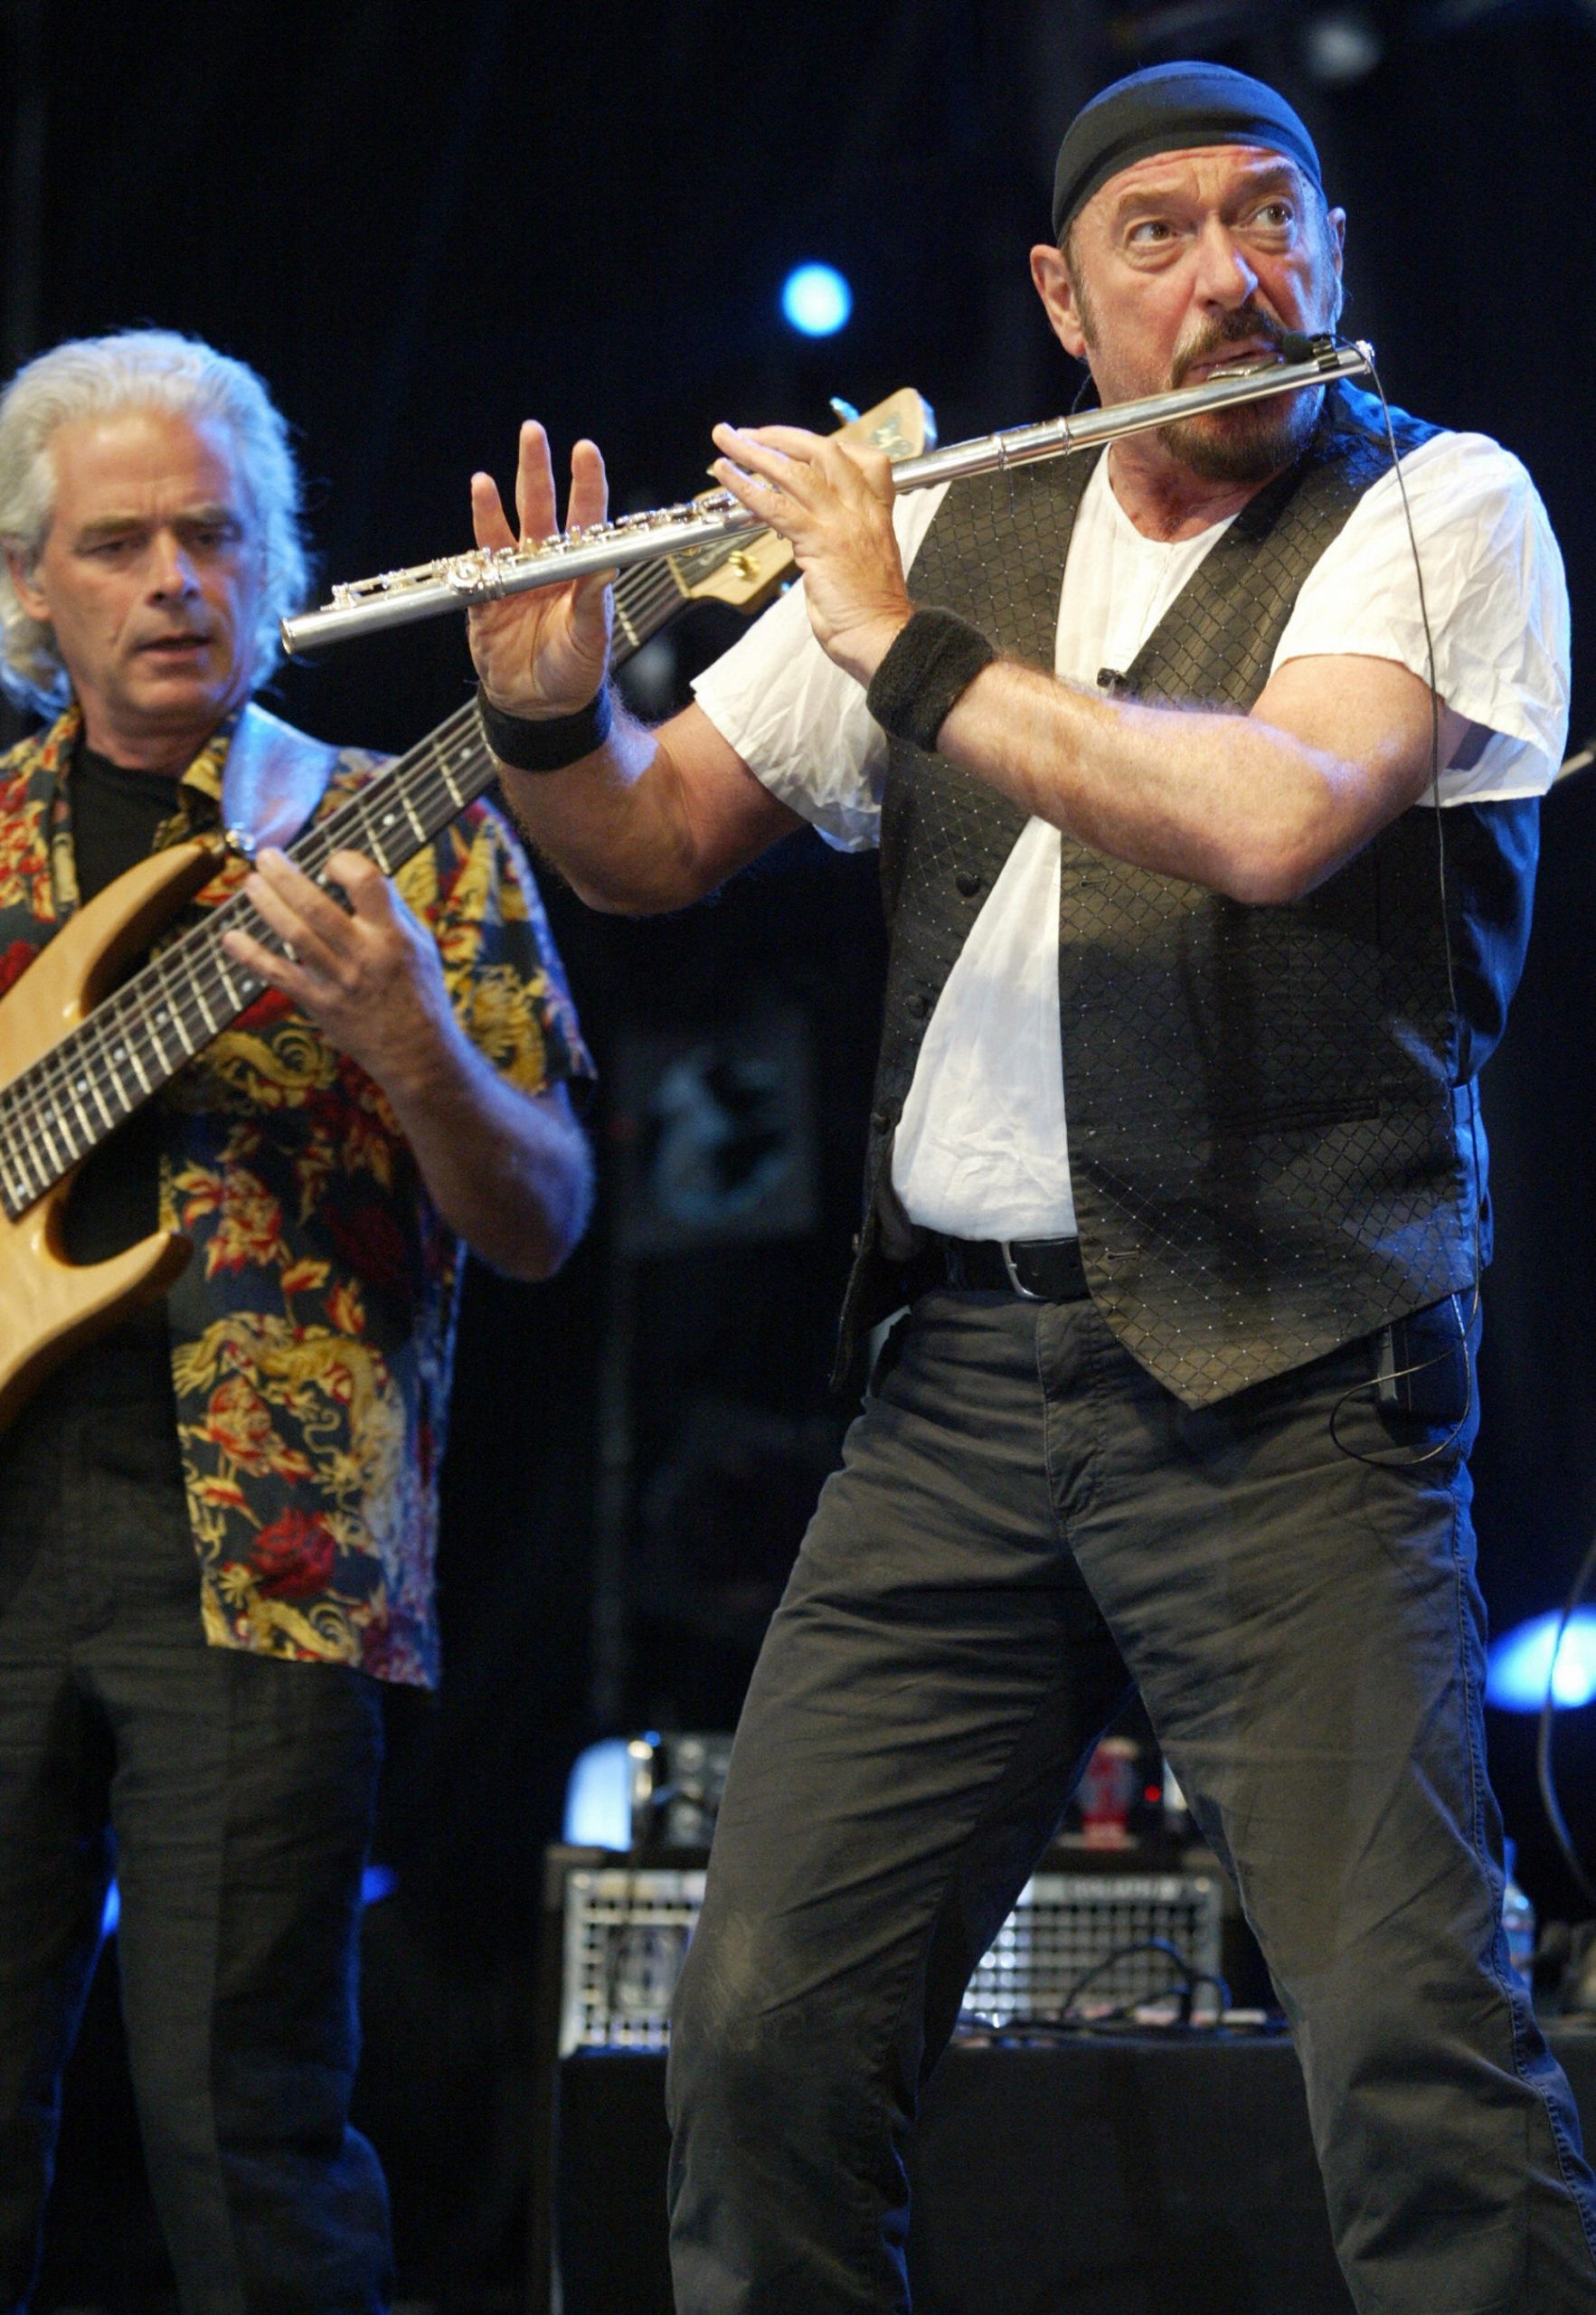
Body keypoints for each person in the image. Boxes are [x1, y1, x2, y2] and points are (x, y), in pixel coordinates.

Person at [467, 61, 1596, 2315]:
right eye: (1157, 236)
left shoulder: (1436, 504)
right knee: (760, 2035)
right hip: (959, 1398)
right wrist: (546, 715)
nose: (1230, 277)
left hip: (1294, 1385)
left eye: (1269, 218)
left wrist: (887, 629)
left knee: (1413, 2062)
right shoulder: (967, 530)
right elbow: (650, 845)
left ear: (1335, 251)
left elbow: (1276, 814)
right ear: (1063, 305)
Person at [0, 329, 591, 2313]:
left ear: (277, 560)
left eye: (216, 534)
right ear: (30, 584)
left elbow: (543, 1216)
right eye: (118, 544)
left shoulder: (395, 825)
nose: (175, 580)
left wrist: (412, 1039)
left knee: (241, 2128)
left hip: (261, 1558)